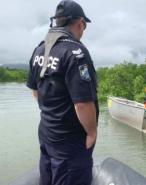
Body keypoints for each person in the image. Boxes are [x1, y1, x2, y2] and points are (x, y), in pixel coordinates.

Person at [26, 0, 99, 184]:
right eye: (84, 27)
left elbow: (35, 91)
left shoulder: (39, 50)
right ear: (80, 22)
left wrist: (54, 116)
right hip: (70, 142)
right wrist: (91, 133)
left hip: (47, 133)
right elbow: (82, 103)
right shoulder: (76, 52)